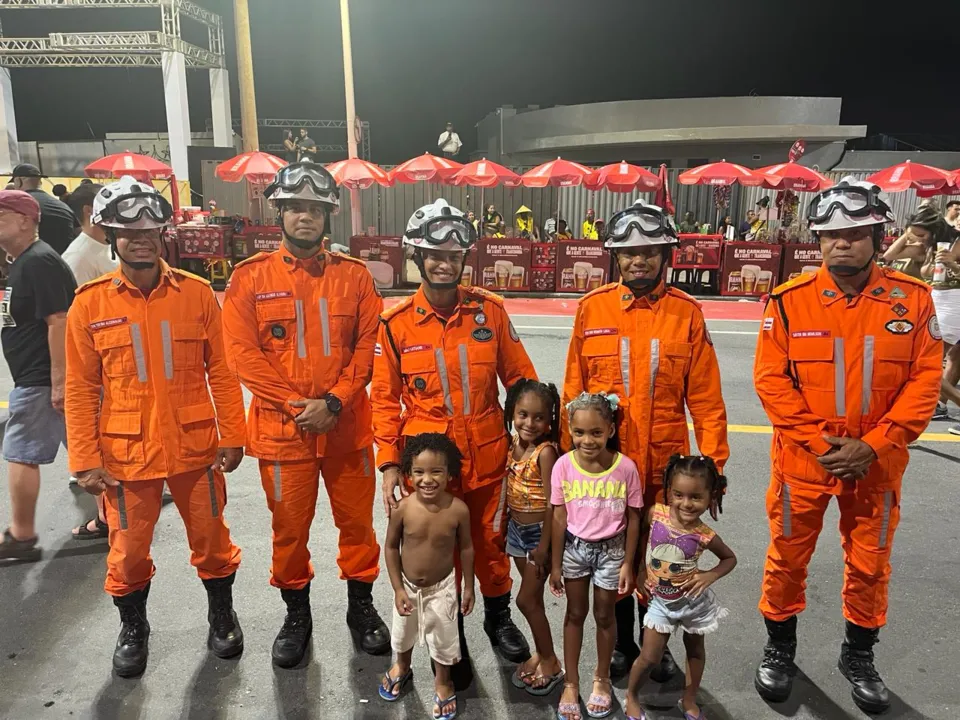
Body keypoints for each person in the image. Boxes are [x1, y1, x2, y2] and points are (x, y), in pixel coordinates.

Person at [753, 177, 942, 713]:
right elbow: (771, 382)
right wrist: (819, 443)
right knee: (788, 558)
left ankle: (858, 656)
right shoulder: (789, 303)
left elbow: (926, 382)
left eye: (857, 232)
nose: (843, 243)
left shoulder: (914, 301)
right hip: (802, 464)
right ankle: (780, 648)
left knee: (870, 563)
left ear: (879, 236)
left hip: (875, 468)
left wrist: (876, 445)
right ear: (817, 241)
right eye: (832, 234)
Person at [64, 177, 247, 676]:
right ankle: (134, 628)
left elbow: (222, 371)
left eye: (148, 229)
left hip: (195, 446)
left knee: (211, 542)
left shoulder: (197, 294)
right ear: (111, 235)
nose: (139, 238)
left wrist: (233, 433)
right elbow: (81, 389)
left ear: (163, 233)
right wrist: (84, 459)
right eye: (127, 231)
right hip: (126, 454)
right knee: (126, 554)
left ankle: (221, 614)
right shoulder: (90, 304)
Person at [221, 161, 390, 666]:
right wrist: (301, 408)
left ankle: (360, 608)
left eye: (315, 209)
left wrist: (334, 402)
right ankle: (297, 616)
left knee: (358, 526)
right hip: (283, 432)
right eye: (295, 207)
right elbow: (242, 357)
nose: (305, 217)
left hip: (347, 429)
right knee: (289, 531)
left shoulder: (356, 278)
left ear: (328, 215)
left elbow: (366, 348)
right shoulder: (250, 279)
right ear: (279, 212)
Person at [562, 199, 730, 684]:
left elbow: (707, 399)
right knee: (613, 557)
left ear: (665, 254)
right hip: (605, 468)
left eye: (649, 251)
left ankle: (657, 638)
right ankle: (623, 643)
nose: (639, 260)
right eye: (629, 252)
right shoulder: (590, 310)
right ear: (615, 257)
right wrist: (568, 468)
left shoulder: (686, 315)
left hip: (665, 470)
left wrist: (713, 471)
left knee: (662, 557)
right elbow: (573, 393)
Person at [372, 199, 537, 687]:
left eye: (453, 255)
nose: (444, 263)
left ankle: (497, 616)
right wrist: (387, 466)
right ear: (417, 257)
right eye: (433, 254)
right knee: (438, 550)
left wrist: (536, 446)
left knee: (489, 545)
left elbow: (521, 382)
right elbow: (383, 402)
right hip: (428, 472)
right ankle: (451, 635)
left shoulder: (490, 311)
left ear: (465, 258)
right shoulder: (396, 323)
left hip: (488, 457)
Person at [550, 392, 642, 720]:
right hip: (574, 549)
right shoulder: (563, 466)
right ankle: (571, 683)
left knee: (605, 616)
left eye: (596, 433)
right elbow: (559, 516)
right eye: (579, 433)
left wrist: (629, 562)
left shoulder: (625, 469)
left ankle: (601, 680)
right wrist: (556, 563)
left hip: (612, 551)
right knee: (575, 614)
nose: (587, 441)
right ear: (570, 430)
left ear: (611, 430)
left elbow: (633, 517)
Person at [624, 455, 736, 720]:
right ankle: (631, 695)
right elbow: (639, 535)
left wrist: (710, 575)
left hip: (694, 604)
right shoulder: (655, 514)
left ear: (712, 496)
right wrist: (640, 569)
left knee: (695, 650)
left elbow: (730, 559)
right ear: (669, 491)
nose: (686, 503)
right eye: (679, 494)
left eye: (696, 497)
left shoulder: (704, 533)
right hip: (661, 603)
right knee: (650, 656)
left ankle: (688, 699)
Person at [0, 191, 76, 562]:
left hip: (40, 376)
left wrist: (58, 381)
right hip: (38, 374)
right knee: (82, 448)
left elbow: (58, 320)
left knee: (20, 452)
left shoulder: (39, 261)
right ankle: (117, 517)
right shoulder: (21, 262)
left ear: (25, 220)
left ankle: (21, 534)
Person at [378, 433, 475, 720]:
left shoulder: (458, 510)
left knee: (444, 639)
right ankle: (401, 667)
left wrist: (468, 586)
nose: (427, 479)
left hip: (443, 588)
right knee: (402, 634)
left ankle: (443, 682)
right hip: (407, 587)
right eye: (419, 472)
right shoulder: (403, 509)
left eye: (436, 472)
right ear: (407, 474)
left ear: (449, 474)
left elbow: (467, 548)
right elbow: (391, 546)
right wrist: (397, 588)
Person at [61, 181, 117, 538]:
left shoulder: (101, 249)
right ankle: (107, 517)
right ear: (89, 212)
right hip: (101, 366)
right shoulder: (79, 258)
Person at [503, 379, 563, 695]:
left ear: (549, 421)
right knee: (534, 602)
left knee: (526, 600)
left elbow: (555, 504)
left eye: (539, 417)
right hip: (516, 531)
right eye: (523, 414)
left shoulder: (545, 452)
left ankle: (551, 661)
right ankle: (542, 651)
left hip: (539, 535)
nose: (530, 423)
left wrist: (545, 547)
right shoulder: (513, 442)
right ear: (512, 411)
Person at [10, 163, 79, 255]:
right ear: (40, 182)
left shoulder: (17, 205)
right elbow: (79, 233)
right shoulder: (63, 206)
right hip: (64, 263)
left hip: (33, 263)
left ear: (18, 181)